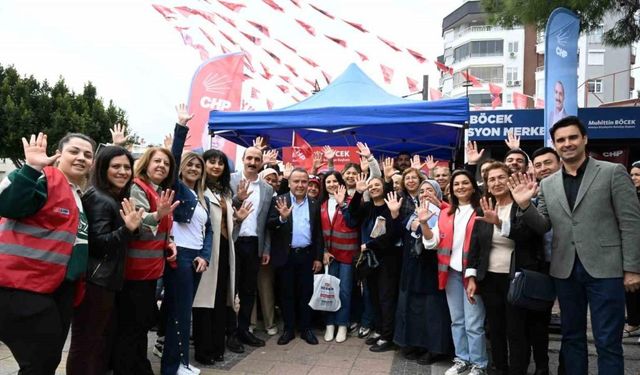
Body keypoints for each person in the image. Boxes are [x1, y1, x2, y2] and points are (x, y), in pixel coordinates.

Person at [509, 116, 640, 375]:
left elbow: (631, 223)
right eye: (561, 140)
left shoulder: (612, 172)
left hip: (606, 269)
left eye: (572, 138)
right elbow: (544, 225)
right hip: (565, 270)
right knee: (572, 339)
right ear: (555, 144)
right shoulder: (548, 184)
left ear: (584, 139)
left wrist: (633, 268)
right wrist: (525, 205)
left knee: (608, 342)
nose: (567, 143)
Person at [0, 132, 94, 374]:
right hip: (20, 287)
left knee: (45, 362)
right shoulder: (45, 178)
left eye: (88, 154)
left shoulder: (76, 194)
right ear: (59, 153)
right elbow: (7, 204)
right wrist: (31, 168)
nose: (81, 158)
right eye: (74, 151)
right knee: (40, 362)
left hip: (55, 289)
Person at [465, 162, 547, 375]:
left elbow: (527, 236)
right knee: (495, 329)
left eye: (501, 177)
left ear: (510, 179)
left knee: (516, 330)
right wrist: (472, 277)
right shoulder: (484, 208)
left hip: (516, 278)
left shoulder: (523, 206)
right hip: (489, 278)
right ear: (487, 185)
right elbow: (475, 246)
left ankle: (517, 370)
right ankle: (499, 368)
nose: (496, 182)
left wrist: (499, 223)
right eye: (491, 179)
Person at [67, 145, 141, 375]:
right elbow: (97, 244)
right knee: (87, 342)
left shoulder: (113, 197)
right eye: (115, 166)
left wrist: (132, 228)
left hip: (104, 281)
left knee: (97, 341)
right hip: (95, 281)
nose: (122, 172)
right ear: (103, 169)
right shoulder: (100, 198)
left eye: (127, 167)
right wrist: (127, 230)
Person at [113, 145, 179, 375]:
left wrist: (168, 243)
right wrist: (158, 215)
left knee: (139, 327)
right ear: (146, 164)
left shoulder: (159, 190)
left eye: (166, 163)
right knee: (132, 329)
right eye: (157, 161)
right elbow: (137, 225)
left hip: (149, 271)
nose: (162, 166)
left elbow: (161, 229)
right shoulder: (137, 187)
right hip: (134, 272)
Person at [160, 106, 215, 375]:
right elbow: (172, 164)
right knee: (180, 315)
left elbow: (211, 232)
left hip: (194, 259)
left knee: (182, 313)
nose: (194, 168)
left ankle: (180, 362)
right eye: (190, 164)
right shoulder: (177, 189)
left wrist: (205, 256)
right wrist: (181, 128)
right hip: (178, 256)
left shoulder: (202, 196)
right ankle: (173, 367)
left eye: (198, 165)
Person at [422, 169, 489, 375]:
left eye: (465, 183)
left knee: (474, 323)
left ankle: (479, 364)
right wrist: (424, 223)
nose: (460, 187)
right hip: (450, 272)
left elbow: (482, 246)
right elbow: (432, 242)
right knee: (457, 320)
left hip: (471, 273)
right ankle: (462, 359)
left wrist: (473, 274)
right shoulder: (446, 212)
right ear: (451, 188)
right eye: (456, 184)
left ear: (473, 186)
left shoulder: (481, 210)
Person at [192, 148, 249, 365]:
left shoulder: (224, 192)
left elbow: (226, 226)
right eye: (211, 162)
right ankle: (203, 350)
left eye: (220, 162)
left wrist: (238, 214)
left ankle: (217, 347)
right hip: (205, 252)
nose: (216, 166)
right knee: (203, 303)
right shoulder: (197, 190)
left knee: (219, 302)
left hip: (225, 250)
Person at [394, 180, 453, 365]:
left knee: (433, 310)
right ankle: (417, 343)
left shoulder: (444, 213)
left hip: (432, 267)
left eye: (430, 190)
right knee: (415, 307)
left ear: (438, 193)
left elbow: (438, 238)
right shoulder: (414, 212)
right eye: (422, 190)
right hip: (412, 266)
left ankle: (434, 349)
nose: (425, 193)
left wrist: (419, 226)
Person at [267, 168, 324, 345]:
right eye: (296, 181)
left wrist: (318, 257)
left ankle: (306, 329)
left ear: (308, 183)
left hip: (307, 255)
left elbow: (318, 234)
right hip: (286, 255)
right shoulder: (278, 200)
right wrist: (282, 219)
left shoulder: (314, 203)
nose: (300, 185)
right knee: (286, 293)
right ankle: (289, 329)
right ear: (289, 183)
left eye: (304, 181)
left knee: (306, 293)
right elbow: (269, 224)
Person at [347, 174, 402, 352]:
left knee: (386, 298)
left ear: (384, 187)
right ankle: (379, 330)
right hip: (371, 261)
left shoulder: (391, 206)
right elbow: (353, 213)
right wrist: (358, 192)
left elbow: (393, 234)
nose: (373, 188)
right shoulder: (368, 207)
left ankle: (388, 336)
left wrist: (369, 244)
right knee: (374, 296)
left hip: (387, 259)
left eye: (377, 184)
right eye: (370, 186)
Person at [229, 146, 274, 350]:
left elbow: (266, 223)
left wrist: (265, 248)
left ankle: (244, 330)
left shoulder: (267, 189)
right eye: (249, 158)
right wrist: (238, 199)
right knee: (231, 290)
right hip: (233, 241)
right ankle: (229, 333)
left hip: (254, 244)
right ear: (243, 159)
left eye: (257, 159)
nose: (253, 162)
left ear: (261, 162)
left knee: (249, 291)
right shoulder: (230, 180)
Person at [320, 171, 359, 343]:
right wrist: (323, 251)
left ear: (340, 183)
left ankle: (342, 324)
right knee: (329, 291)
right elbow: (317, 231)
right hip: (330, 255)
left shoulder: (351, 202)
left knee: (345, 291)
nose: (331, 184)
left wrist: (342, 204)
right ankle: (330, 324)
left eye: (335, 181)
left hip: (348, 254)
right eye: (328, 181)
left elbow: (353, 223)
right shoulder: (321, 204)